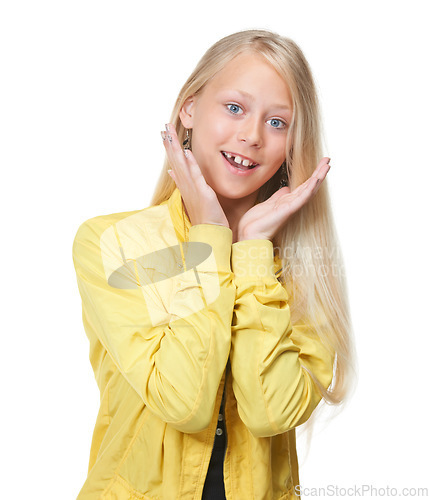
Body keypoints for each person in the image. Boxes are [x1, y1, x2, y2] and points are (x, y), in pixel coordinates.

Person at [72, 28, 355, 500]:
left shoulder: (307, 268)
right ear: (189, 109)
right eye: (235, 108)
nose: (251, 135)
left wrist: (251, 254)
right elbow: (183, 403)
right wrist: (209, 240)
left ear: (292, 144)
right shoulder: (113, 242)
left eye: (278, 122)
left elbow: (271, 412)